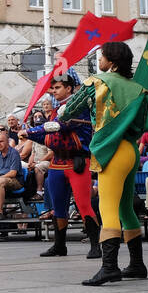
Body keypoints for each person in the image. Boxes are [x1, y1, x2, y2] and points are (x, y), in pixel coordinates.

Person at [58, 42, 148, 286]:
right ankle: (137, 264)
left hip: (111, 151)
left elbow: (69, 110)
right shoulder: (139, 90)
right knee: (126, 209)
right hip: (130, 150)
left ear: (112, 60)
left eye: (101, 56)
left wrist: (62, 114)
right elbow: (140, 126)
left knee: (108, 209)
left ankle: (109, 267)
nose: (99, 60)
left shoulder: (96, 82)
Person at [24, 70, 100, 259]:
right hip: (57, 162)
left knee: (83, 204)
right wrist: (31, 134)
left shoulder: (76, 106)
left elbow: (59, 126)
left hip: (77, 160)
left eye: (58, 87)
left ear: (69, 88)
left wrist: (31, 133)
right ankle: (59, 245)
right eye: (53, 88)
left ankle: (95, 245)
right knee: (58, 207)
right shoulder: (57, 111)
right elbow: (50, 135)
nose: (54, 91)